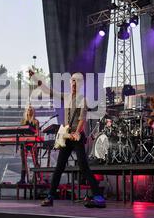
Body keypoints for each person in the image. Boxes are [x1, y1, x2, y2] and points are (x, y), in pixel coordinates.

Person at [29, 70, 106, 208]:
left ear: (81, 83)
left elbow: (82, 119)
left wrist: (76, 133)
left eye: (77, 81)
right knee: (59, 167)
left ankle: (99, 197)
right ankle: (50, 197)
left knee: (84, 167)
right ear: (70, 83)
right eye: (72, 81)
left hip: (76, 136)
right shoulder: (67, 96)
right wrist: (35, 78)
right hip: (66, 136)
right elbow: (48, 91)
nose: (74, 83)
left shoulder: (83, 99)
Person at [18, 105, 40, 184]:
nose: (29, 111)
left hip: (33, 143)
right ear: (26, 112)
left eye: (31, 110)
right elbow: (20, 132)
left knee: (35, 161)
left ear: (33, 112)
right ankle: (23, 179)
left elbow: (37, 133)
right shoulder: (23, 121)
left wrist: (31, 137)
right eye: (28, 110)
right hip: (24, 143)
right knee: (23, 161)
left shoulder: (36, 121)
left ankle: (36, 179)